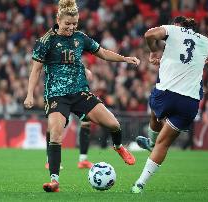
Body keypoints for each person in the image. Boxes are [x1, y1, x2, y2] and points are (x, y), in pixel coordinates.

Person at [24, 0, 139, 193]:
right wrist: (29, 95)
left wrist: (125, 58)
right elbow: (35, 71)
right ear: (58, 19)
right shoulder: (45, 41)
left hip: (80, 93)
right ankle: (54, 180)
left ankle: (118, 146)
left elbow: (102, 52)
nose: (71, 27)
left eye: (74, 24)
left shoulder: (80, 37)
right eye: (67, 23)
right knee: (56, 134)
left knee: (114, 125)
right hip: (56, 96)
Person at [131, 16, 208, 193]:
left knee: (155, 110)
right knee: (164, 143)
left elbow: (149, 34)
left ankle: (151, 142)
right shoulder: (204, 41)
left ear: (179, 26)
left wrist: (154, 51)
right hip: (189, 102)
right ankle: (140, 184)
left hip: (165, 95)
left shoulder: (173, 30)